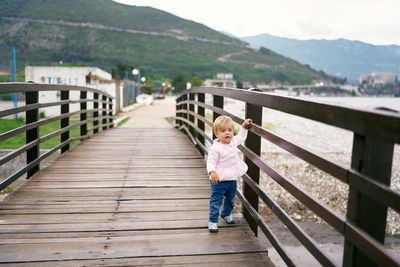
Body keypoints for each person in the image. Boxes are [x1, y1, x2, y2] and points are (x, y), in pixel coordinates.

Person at [207, 115, 252, 233]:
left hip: (231, 179)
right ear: (216, 134)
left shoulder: (233, 142)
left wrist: (243, 127)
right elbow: (211, 161)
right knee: (216, 201)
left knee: (230, 199)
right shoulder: (215, 148)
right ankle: (212, 221)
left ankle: (226, 214)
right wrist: (212, 171)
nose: (227, 133)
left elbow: (242, 137)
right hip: (219, 180)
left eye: (230, 130)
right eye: (223, 131)